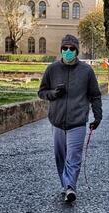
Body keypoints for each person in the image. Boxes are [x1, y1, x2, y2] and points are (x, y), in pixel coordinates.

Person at [38, 34, 102, 203]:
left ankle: (70, 187)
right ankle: (65, 184)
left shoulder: (86, 71)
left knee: (73, 157)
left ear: (77, 51)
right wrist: (53, 93)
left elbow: (95, 96)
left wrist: (98, 116)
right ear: (61, 49)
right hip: (57, 122)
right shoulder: (52, 69)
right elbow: (41, 92)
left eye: (71, 49)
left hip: (77, 122)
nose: (68, 51)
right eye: (65, 48)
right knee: (60, 157)